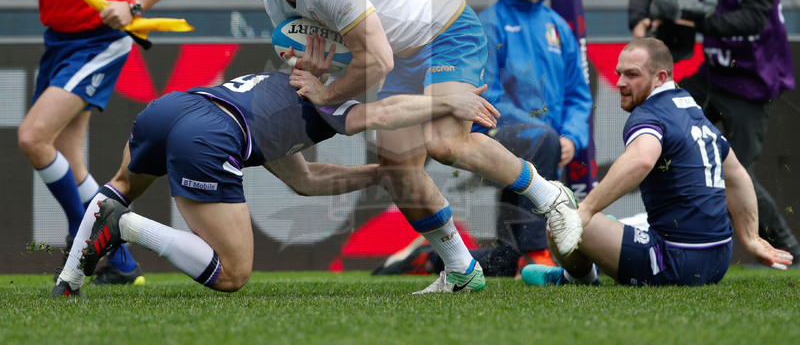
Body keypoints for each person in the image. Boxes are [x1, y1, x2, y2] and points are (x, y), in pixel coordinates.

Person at [223, 0, 583, 294]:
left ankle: (551, 197)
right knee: (397, 172)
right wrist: (322, 74)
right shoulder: (277, 3)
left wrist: (326, 92)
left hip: (446, 30)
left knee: (446, 143)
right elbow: (354, 55)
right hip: (398, 53)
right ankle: (461, 269)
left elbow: (377, 61)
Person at [50, 50, 501, 296]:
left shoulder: (287, 86)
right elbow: (388, 112)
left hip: (173, 108)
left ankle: (68, 282)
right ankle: (126, 228)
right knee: (231, 275)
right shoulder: (334, 92)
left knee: (120, 187)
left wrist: (379, 174)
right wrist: (449, 102)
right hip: (210, 134)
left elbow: (306, 181)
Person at [0, 0, 187, 285]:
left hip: (102, 43)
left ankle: (79, 237)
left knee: (32, 137)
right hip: (56, 43)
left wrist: (134, 3)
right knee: (72, 159)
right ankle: (120, 260)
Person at [373, 0, 593, 278]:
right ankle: (540, 253)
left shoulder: (558, 27)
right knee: (541, 147)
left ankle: (428, 258)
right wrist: (545, 133)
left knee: (508, 259)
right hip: (493, 131)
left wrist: (571, 137)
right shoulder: (488, 23)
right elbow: (485, 94)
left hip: (546, 144)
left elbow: (579, 95)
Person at [521, 38, 794, 287]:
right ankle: (588, 256)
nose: (620, 83)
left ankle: (577, 278)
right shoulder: (689, 107)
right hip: (718, 259)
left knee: (559, 220)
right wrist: (750, 239)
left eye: (632, 75)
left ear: (660, 76)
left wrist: (585, 212)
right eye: (619, 73)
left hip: (676, 262)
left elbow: (640, 160)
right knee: (614, 222)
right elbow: (736, 175)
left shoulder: (649, 115)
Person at [628, 0, 800, 263]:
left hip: (754, 82)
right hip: (714, 74)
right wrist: (639, 18)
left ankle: (788, 249)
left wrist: (690, 18)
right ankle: (660, 233)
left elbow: (751, 20)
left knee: (734, 172)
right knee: (654, 120)